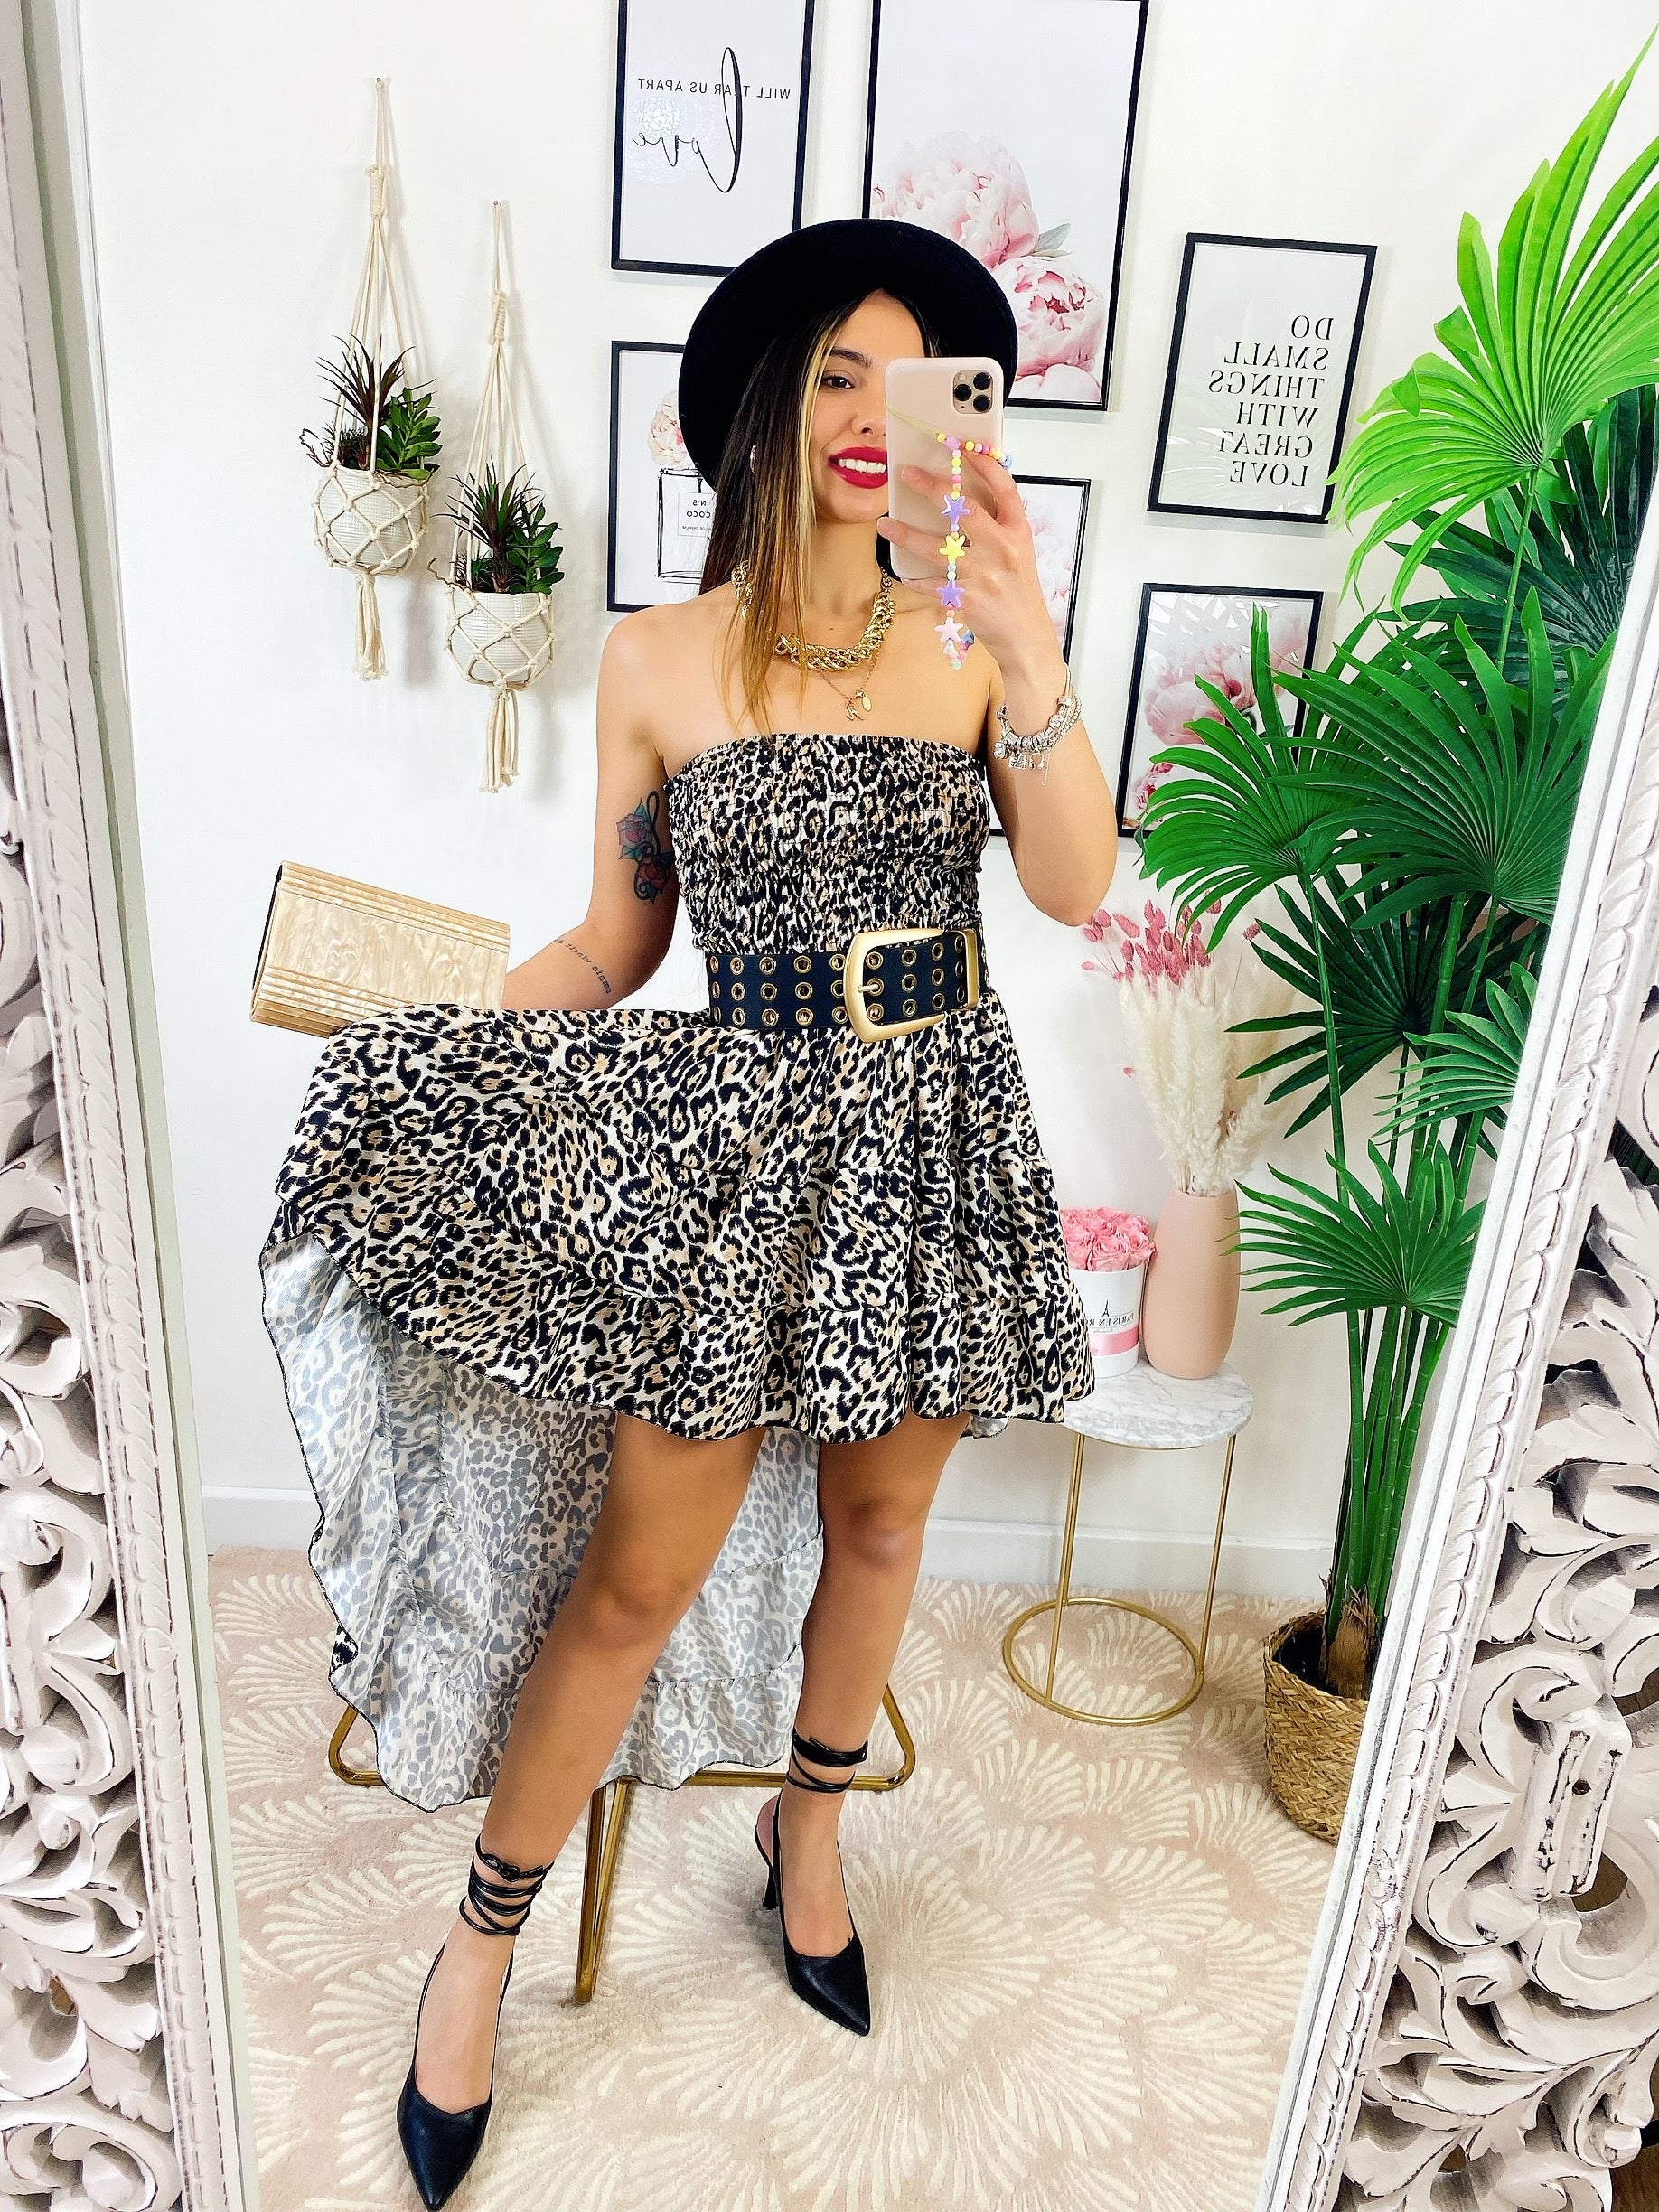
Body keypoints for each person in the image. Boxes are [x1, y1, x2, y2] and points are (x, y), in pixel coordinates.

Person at [258, 215, 1115, 2210]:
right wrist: (451, 1028)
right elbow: (618, 941)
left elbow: (1075, 887)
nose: (870, 414)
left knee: (883, 1523)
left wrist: (1036, 648)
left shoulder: (971, 642)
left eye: (911, 378)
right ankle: (480, 1939)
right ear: (764, 404)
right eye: (834, 371)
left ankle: (806, 1832)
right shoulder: (652, 658)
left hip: (935, 1136)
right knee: (634, 1583)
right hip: (737, 1153)